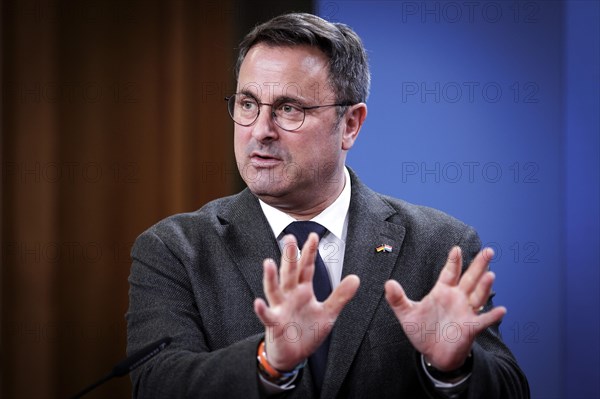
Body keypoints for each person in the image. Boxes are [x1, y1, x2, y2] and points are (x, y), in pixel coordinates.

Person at [126, 12, 530, 398]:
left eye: (289, 109)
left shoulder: (441, 246)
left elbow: (512, 389)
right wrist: (269, 362)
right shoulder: (174, 249)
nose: (261, 131)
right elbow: (157, 385)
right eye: (248, 104)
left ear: (350, 125)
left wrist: (453, 368)